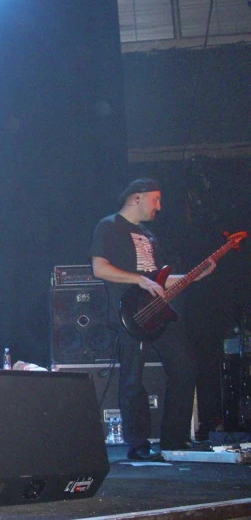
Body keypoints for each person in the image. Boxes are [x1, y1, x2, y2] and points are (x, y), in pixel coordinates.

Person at [89, 178, 214, 461]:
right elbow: (100, 268)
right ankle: (138, 445)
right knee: (134, 378)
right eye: (155, 199)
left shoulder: (148, 234)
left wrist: (193, 277)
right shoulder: (108, 226)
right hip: (131, 313)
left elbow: (159, 280)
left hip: (159, 310)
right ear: (137, 197)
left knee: (185, 369)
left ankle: (174, 440)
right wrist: (139, 280)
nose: (159, 206)